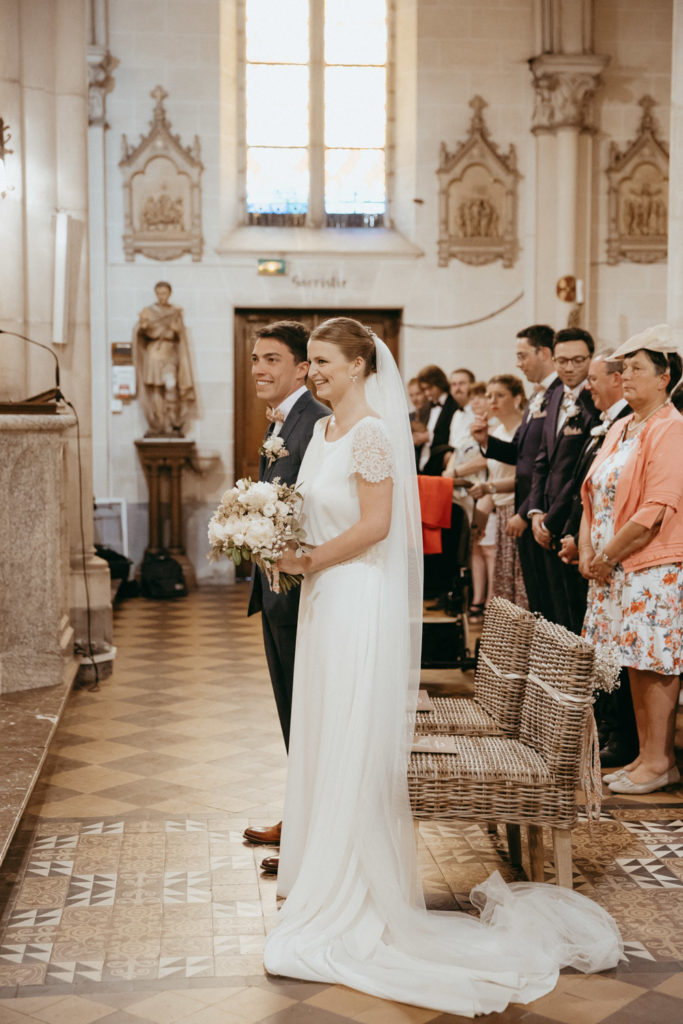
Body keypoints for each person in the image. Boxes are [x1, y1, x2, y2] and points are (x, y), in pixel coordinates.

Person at [264, 316, 622, 1016]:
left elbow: (375, 526)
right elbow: (309, 509)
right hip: (321, 598)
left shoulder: (368, 432)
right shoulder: (321, 432)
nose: (313, 373)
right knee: (321, 728)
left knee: (348, 730)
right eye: (309, 362)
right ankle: (319, 872)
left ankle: (350, 887)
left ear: (363, 365)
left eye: (324, 362)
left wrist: (306, 560)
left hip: (351, 595)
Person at [580, 325, 683, 796]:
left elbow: (657, 507)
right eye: (623, 368)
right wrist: (588, 550)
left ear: (665, 377)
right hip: (613, 566)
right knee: (631, 662)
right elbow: (592, 493)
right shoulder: (623, 425)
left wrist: (608, 553)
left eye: (637, 368)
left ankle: (661, 759)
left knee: (654, 662)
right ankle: (644, 756)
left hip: (650, 565)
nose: (625, 376)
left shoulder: (671, 427)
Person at [243, 322, 328, 864]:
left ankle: (310, 835)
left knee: (307, 712)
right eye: (255, 358)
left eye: (271, 359)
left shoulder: (315, 422)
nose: (258, 368)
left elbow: (314, 508)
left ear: (302, 368)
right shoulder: (286, 420)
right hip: (277, 589)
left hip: (299, 591)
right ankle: (301, 816)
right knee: (292, 711)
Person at [558, 351, 635, 768]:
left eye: (592, 377)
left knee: (621, 650)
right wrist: (579, 539)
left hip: (622, 558)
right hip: (593, 550)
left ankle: (621, 734)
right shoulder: (614, 426)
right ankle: (606, 725)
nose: (587, 385)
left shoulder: (647, 428)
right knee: (600, 647)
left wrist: (597, 549)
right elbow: (585, 490)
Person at [471, 324, 560, 618]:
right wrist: (486, 441)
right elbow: (520, 453)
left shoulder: (561, 394)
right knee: (536, 596)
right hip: (527, 506)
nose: (518, 363)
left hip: (540, 510)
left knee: (548, 599)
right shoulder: (538, 398)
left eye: (522, 356)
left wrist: (526, 510)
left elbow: (547, 465)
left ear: (543, 353)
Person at [526, 327, 599, 627]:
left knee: (575, 610)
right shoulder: (553, 394)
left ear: (590, 359)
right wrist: (534, 510)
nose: (569, 368)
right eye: (562, 360)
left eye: (578, 360)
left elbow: (581, 471)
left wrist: (551, 520)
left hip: (572, 517)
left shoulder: (596, 400)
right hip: (545, 514)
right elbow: (542, 458)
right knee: (550, 608)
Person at [470, 375, 528, 609]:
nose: (492, 400)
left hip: (518, 509)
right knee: (503, 583)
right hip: (500, 508)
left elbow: (524, 477)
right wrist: (480, 517)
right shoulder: (497, 430)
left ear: (517, 398)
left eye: (500, 395)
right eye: (489, 395)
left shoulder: (523, 428)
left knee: (519, 582)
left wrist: (489, 488)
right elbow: (493, 475)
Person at [134, 281, 197, 436]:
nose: (162, 296)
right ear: (156, 293)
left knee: (171, 387)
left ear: (170, 294)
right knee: (155, 388)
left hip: (169, 354)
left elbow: (180, 335)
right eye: (159, 293)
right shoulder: (148, 311)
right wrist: (143, 328)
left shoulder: (175, 312)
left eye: (165, 293)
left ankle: (172, 422)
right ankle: (158, 423)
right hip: (153, 353)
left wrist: (176, 329)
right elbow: (140, 333)